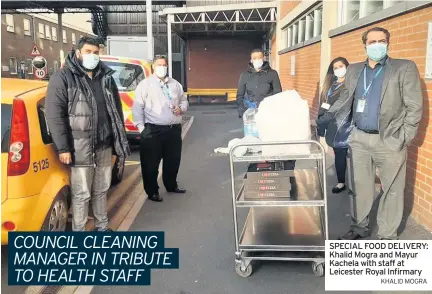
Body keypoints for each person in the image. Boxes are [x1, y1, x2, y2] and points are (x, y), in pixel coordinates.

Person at [319, 27, 423, 240]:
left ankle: (387, 234)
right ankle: (359, 227)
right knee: (359, 187)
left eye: (382, 41)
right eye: (372, 41)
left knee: (392, 189)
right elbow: (345, 99)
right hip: (359, 139)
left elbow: (414, 107)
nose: (377, 45)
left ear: (388, 43)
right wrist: (325, 116)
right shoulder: (355, 70)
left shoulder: (404, 68)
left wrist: (403, 137)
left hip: (389, 139)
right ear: (365, 45)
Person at [45, 36, 131, 232]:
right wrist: (63, 147)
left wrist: (118, 141)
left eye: (96, 52)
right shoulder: (64, 77)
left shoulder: (105, 77)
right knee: (82, 193)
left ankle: (102, 227)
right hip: (79, 147)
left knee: (101, 189)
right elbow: (54, 115)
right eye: (88, 52)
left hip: (104, 144)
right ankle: (80, 233)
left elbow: (115, 110)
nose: (93, 56)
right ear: (78, 53)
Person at [132, 55, 188, 202]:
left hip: (173, 129)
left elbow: (184, 100)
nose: (162, 67)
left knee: (173, 161)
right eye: (159, 65)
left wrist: (181, 108)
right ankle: (152, 191)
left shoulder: (175, 84)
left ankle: (171, 185)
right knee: (150, 164)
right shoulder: (145, 85)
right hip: (153, 130)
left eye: (164, 65)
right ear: (153, 67)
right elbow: (138, 107)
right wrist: (141, 128)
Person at [317, 57, 351, 194]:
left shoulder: (350, 85)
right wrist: (320, 126)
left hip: (346, 125)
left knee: (348, 155)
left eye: (341, 66)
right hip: (332, 125)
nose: (338, 70)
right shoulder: (331, 86)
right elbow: (323, 107)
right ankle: (341, 181)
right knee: (339, 155)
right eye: (335, 68)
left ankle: (350, 183)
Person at [236, 48, 282, 118]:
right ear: (251, 60)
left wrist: (275, 111)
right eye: (254, 58)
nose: (257, 60)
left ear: (263, 58)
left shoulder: (273, 74)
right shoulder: (244, 75)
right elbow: (240, 95)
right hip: (250, 112)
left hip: (268, 112)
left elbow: (278, 94)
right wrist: (241, 112)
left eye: (259, 57)